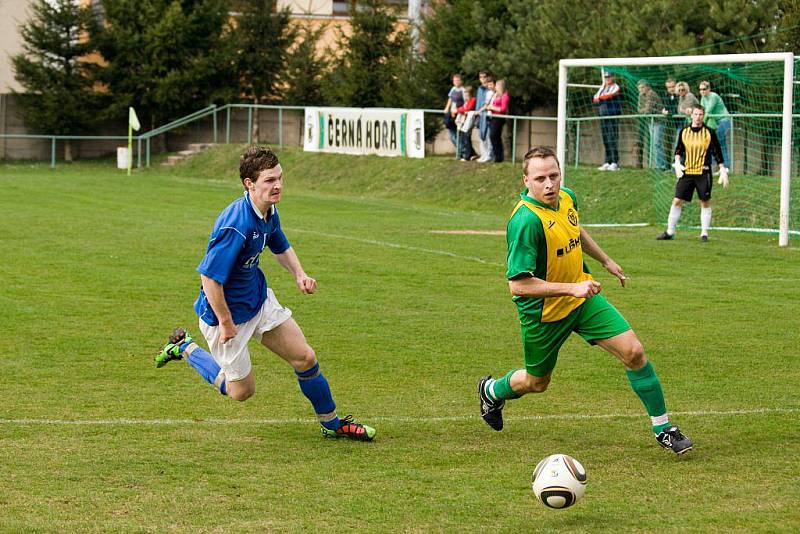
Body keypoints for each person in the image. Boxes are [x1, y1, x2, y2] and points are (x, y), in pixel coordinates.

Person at [477, 146, 692, 455]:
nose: (549, 184)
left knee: (634, 352)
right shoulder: (525, 222)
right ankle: (492, 390)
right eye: (540, 179)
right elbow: (518, 286)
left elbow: (574, 228)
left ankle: (663, 428)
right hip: (545, 313)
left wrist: (605, 260)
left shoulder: (566, 197)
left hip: (582, 296)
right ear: (526, 180)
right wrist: (570, 289)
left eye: (554, 175)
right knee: (537, 383)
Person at [155, 146, 376, 441]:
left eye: (280, 178)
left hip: (258, 301)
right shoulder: (237, 224)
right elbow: (209, 278)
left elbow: (280, 244)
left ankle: (332, 423)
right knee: (241, 392)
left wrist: (300, 275)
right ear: (250, 184)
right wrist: (225, 321)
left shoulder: (268, 211)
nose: (278, 185)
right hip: (225, 317)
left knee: (305, 357)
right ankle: (185, 348)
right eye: (270, 180)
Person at [657, 105, 729, 242]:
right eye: (696, 114)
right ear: (692, 115)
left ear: (704, 116)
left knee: (704, 202)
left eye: (701, 114)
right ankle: (670, 231)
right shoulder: (684, 131)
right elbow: (679, 150)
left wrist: (722, 169)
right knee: (677, 200)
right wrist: (677, 163)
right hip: (688, 172)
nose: (698, 117)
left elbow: (717, 151)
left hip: (703, 172)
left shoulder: (709, 132)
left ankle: (704, 233)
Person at [592, 72, 622, 171]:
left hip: (612, 115)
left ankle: (614, 162)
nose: (607, 79)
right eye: (606, 77)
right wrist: (600, 98)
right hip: (603, 115)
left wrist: (600, 98)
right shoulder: (603, 87)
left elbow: (608, 96)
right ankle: (607, 161)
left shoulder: (615, 87)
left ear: (613, 77)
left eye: (609, 77)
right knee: (605, 138)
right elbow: (595, 98)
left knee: (612, 137)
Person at [699, 81, 731, 168]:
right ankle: (718, 166)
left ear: (709, 89)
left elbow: (708, 111)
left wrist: (700, 122)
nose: (702, 91)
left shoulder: (714, 96)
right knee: (713, 143)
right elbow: (702, 110)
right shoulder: (703, 98)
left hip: (724, 120)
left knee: (720, 143)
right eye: (700, 89)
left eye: (704, 89)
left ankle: (726, 167)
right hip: (715, 122)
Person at [637, 80, 667, 170]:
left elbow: (648, 110)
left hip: (658, 121)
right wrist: (644, 110)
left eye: (642, 87)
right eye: (639, 88)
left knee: (657, 143)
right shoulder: (640, 96)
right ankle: (658, 164)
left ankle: (661, 165)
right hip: (650, 121)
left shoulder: (651, 93)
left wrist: (644, 110)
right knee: (654, 143)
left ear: (647, 87)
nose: (641, 90)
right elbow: (639, 109)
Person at [485, 79, 509, 163]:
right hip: (493, 117)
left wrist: (492, 108)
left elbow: (503, 109)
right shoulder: (496, 95)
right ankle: (497, 156)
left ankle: (499, 157)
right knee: (494, 137)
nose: (495, 87)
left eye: (497, 86)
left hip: (499, 118)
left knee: (494, 136)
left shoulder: (505, 96)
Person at [661, 77, 683, 161]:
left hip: (681, 122)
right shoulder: (666, 96)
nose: (671, 89)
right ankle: (667, 165)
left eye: (673, 86)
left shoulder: (681, 95)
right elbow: (665, 107)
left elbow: (677, 109)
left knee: (678, 143)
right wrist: (663, 110)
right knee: (666, 144)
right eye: (669, 87)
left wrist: (668, 112)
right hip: (670, 123)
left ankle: (678, 163)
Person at [475, 72, 495, 162]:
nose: (482, 78)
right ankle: (483, 154)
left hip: (487, 115)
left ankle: (489, 155)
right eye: (481, 77)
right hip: (479, 115)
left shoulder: (490, 90)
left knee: (488, 136)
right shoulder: (480, 89)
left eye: (484, 76)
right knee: (481, 135)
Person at [454, 85, 477, 161]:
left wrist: (458, 110)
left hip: (469, 121)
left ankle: (466, 156)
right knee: (465, 137)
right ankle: (472, 154)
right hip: (464, 121)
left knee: (466, 137)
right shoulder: (466, 101)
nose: (466, 94)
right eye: (465, 93)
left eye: (467, 93)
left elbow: (468, 109)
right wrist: (460, 109)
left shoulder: (473, 100)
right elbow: (463, 108)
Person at [443, 74, 465, 151]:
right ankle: (460, 150)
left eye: (457, 80)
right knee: (452, 135)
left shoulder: (463, 90)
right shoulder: (453, 89)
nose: (456, 82)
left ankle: (462, 150)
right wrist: (447, 108)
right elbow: (450, 99)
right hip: (451, 113)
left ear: (461, 81)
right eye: (454, 80)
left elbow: (466, 102)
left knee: (459, 134)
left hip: (459, 114)